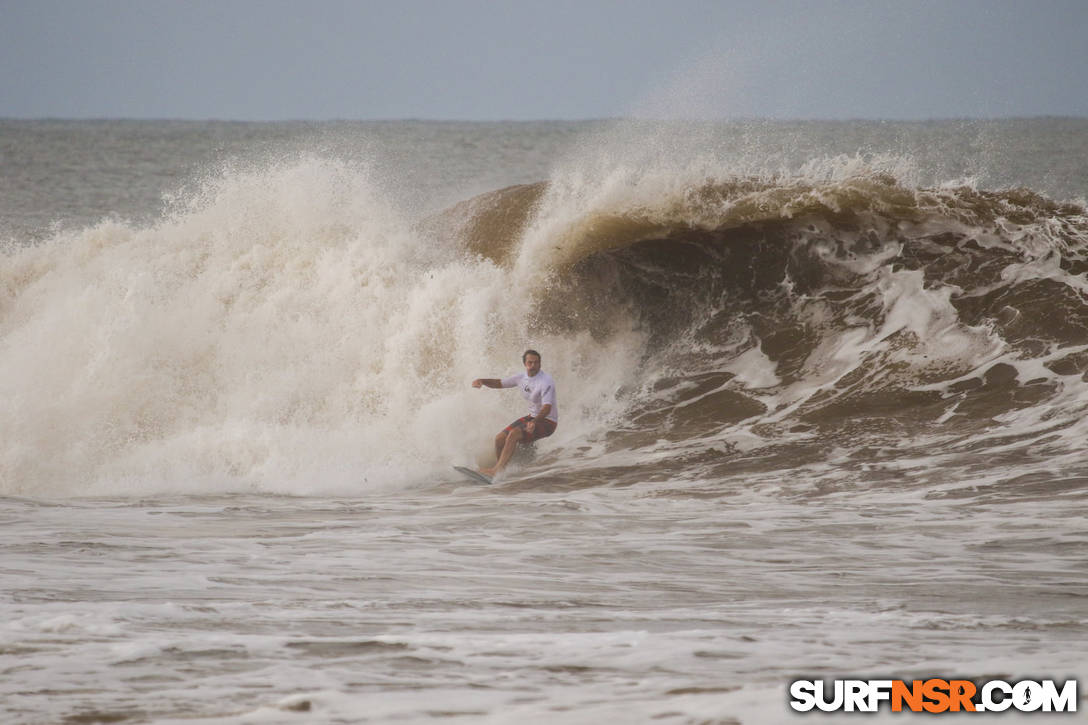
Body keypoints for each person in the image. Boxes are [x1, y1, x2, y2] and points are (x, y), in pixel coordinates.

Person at [472, 349, 558, 476]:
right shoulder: (521, 378)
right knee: (499, 439)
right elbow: (499, 383)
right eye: (530, 362)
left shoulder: (546, 381)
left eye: (536, 363)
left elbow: (547, 408)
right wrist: (482, 381)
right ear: (525, 364)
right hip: (533, 417)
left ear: (540, 364)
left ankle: (496, 471)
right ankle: (501, 470)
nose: (533, 366)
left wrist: (534, 422)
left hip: (548, 421)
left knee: (514, 433)